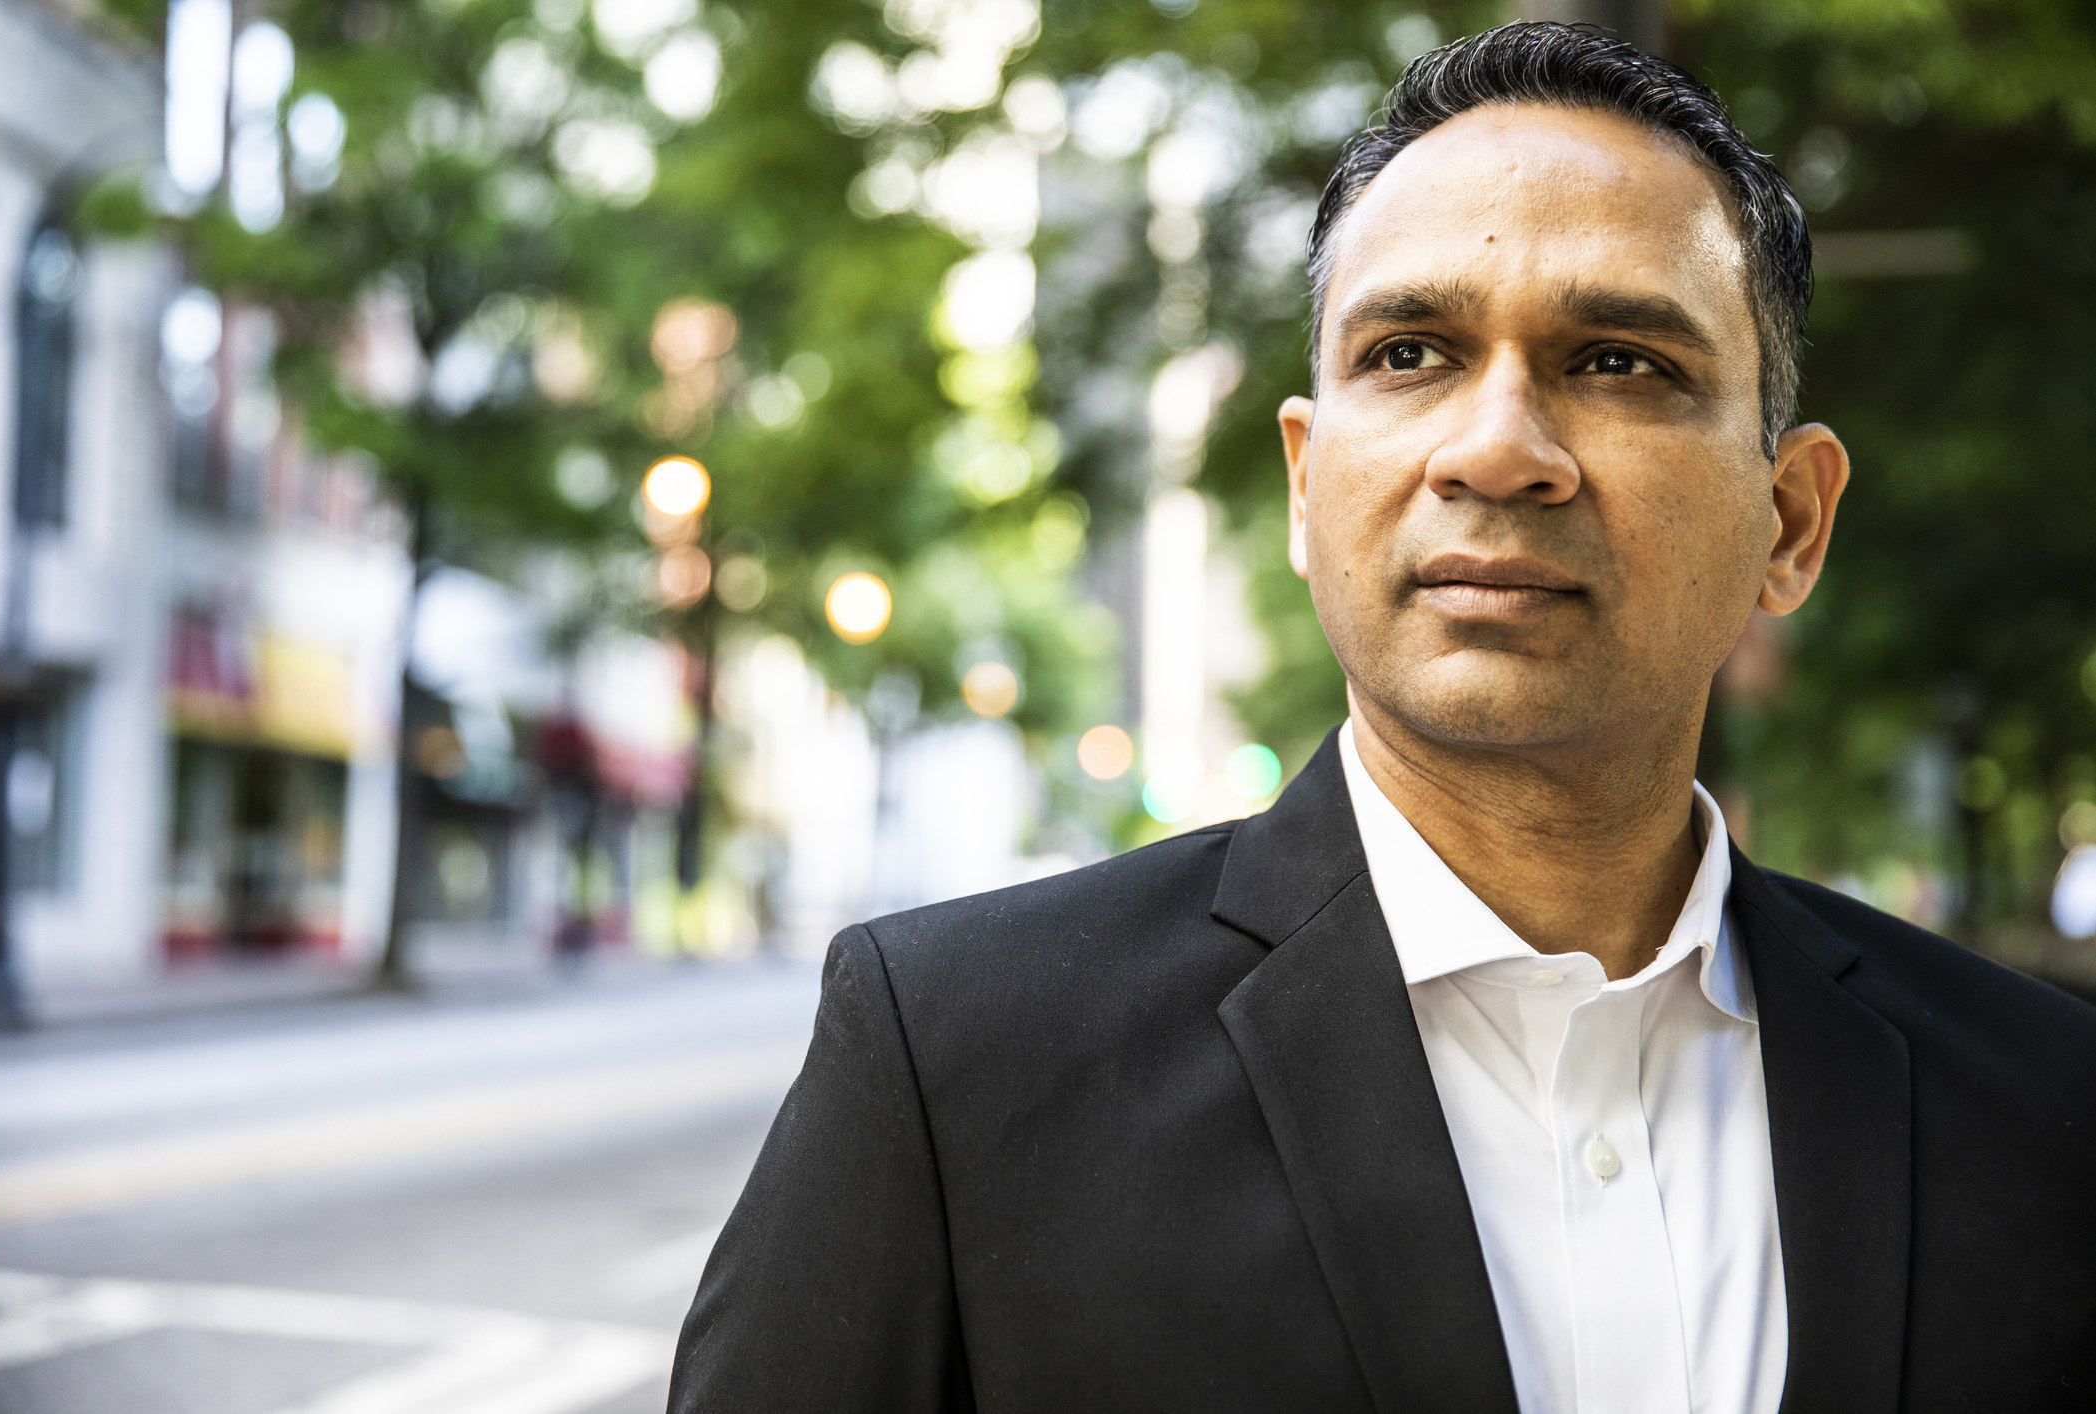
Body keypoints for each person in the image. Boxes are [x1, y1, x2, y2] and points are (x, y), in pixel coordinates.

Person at [668, 23, 2096, 1414]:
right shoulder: (950, 1063)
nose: (1496, 448)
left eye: (1618, 361)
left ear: (1788, 520)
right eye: (1408, 353)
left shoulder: (2045, 1108)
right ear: (1304, 485)